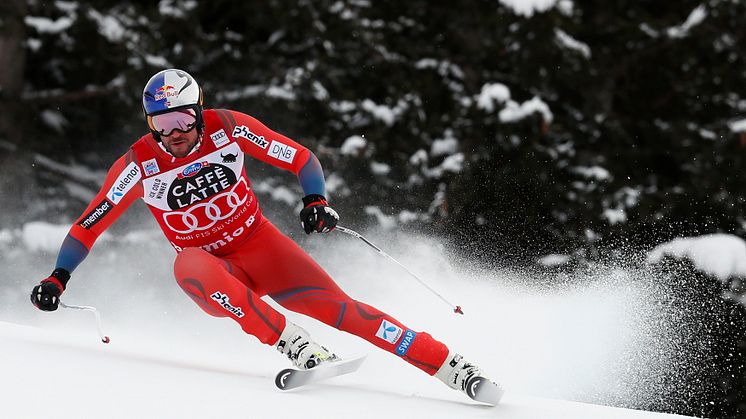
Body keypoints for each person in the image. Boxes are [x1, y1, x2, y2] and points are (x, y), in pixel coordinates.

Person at [30, 68, 499, 401]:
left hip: (261, 245)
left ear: (198, 111)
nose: (175, 132)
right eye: (162, 124)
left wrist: (314, 200)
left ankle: (451, 366)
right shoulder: (138, 165)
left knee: (344, 312)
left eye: (183, 120)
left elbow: (301, 159)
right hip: (214, 273)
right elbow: (88, 226)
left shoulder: (227, 130)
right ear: (149, 123)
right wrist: (58, 277)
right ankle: (296, 345)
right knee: (187, 262)